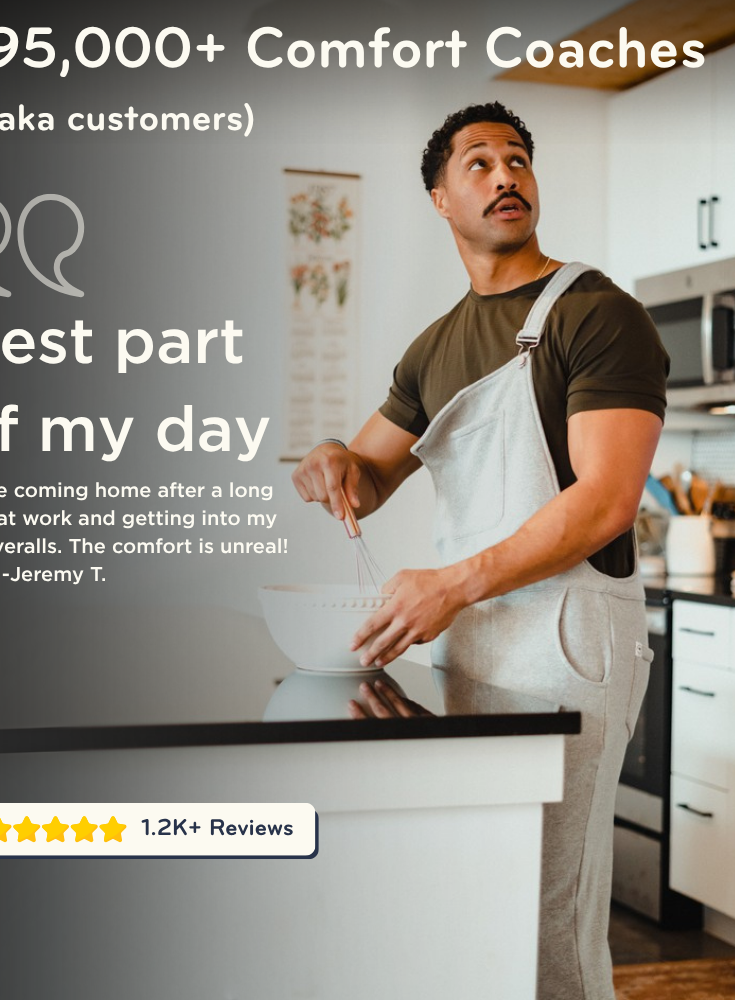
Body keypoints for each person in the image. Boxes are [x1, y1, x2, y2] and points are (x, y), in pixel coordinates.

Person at [293, 101, 667, 1000]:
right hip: (472, 642)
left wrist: (453, 585)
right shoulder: (435, 346)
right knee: (484, 894)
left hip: (569, 643)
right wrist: (332, 459)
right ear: (440, 199)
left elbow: (606, 501)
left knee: (548, 917)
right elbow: (368, 476)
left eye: (518, 160)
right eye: (480, 163)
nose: (506, 176)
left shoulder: (597, 314)